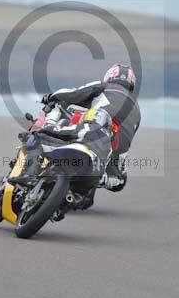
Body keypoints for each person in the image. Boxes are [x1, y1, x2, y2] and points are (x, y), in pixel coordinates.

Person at [39, 64, 141, 201]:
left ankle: (49, 128)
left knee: (48, 131)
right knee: (118, 181)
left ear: (110, 77)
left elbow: (74, 94)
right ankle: (95, 181)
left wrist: (50, 97)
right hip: (115, 152)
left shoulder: (105, 86)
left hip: (95, 131)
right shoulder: (137, 110)